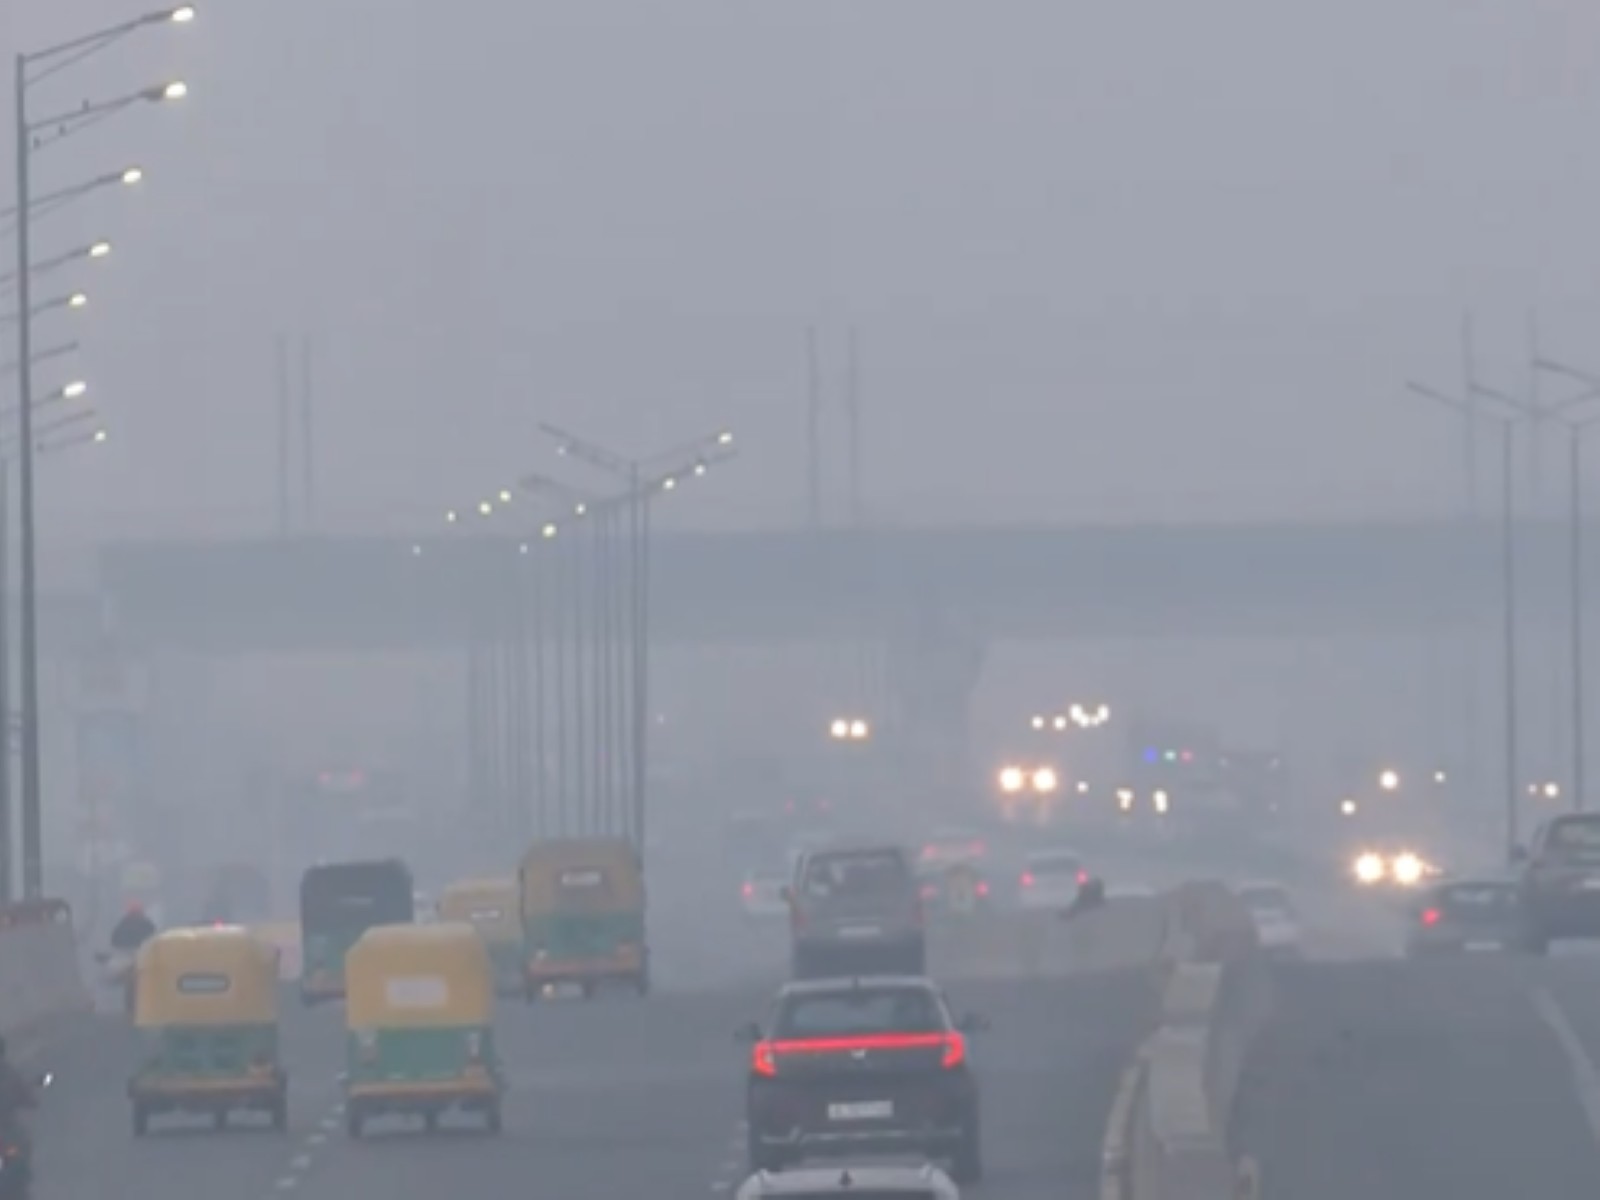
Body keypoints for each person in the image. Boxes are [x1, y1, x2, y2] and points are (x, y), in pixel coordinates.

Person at [0, 1036, 38, 1165]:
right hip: (7, 1125)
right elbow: (28, 1098)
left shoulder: (9, 1073)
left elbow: (28, 1097)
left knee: (21, 1145)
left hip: (6, 1126)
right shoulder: (9, 1073)